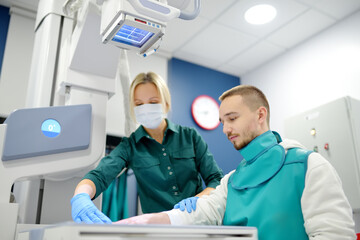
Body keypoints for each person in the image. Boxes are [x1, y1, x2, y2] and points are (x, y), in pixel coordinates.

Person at [115, 85, 356, 240]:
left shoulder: (308, 166)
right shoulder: (232, 181)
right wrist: (136, 223)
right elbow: (199, 214)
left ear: (260, 115)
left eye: (232, 118)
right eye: (222, 122)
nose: (226, 129)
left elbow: (334, 235)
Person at [70, 72, 223, 223]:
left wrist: (198, 199)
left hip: (196, 219)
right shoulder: (130, 146)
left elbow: (216, 179)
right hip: (158, 228)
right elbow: (100, 175)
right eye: (139, 104)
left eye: (153, 101)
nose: (146, 108)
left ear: (166, 103)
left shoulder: (189, 136)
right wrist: (81, 197)